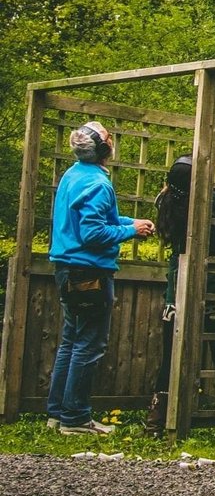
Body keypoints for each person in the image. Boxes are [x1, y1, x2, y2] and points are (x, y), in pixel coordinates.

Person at [46, 121, 155, 434]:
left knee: (71, 342)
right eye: (109, 137)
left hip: (68, 269)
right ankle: (76, 418)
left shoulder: (74, 174)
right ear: (104, 148)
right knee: (89, 345)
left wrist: (129, 222)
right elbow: (93, 233)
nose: (112, 139)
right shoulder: (98, 183)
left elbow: (97, 218)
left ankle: (58, 414)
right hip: (89, 271)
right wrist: (129, 232)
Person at [144, 118, 215, 435]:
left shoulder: (166, 203)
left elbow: (174, 184)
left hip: (178, 290)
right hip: (214, 286)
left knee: (171, 359)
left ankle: (157, 419)